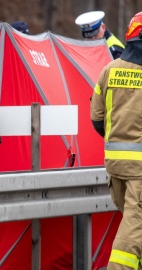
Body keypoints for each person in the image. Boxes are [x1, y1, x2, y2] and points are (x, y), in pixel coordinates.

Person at [90, 11, 142, 270]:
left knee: (135, 227)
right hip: (140, 171)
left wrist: (118, 140)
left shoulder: (109, 70)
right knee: (134, 230)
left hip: (115, 165)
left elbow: (96, 118)